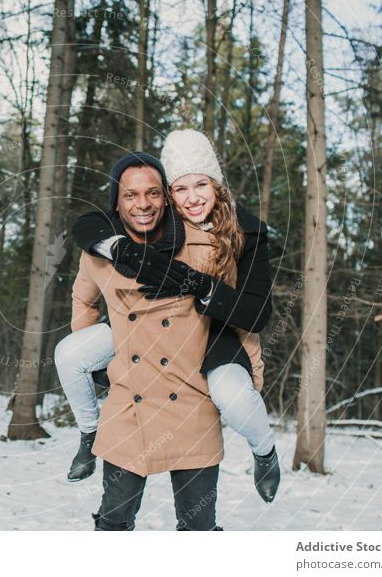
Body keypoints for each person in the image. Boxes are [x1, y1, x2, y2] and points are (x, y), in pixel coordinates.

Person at [58, 130, 279, 513]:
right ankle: (89, 434)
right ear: (169, 196)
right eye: (180, 189)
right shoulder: (161, 217)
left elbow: (256, 315)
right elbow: (94, 222)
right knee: (69, 354)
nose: (192, 197)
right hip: (137, 336)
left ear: (217, 186)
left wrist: (199, 285)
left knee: (233, 399)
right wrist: (116, 245)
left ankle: (265, 452)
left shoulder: (244, 234)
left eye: (201, 185)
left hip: (213, 332)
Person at [67, 149, 228, 530]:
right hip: (129, 404)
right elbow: (82, 301)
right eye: (130, 195)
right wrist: (97, 360)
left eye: (153, 193)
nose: (143, 204)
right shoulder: (98, 253)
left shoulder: (204, 247)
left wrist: (244, 385)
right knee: (113, 523)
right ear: (117, 202)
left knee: (199, 530)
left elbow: (237, 318)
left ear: (167, 197)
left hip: (192, 403)